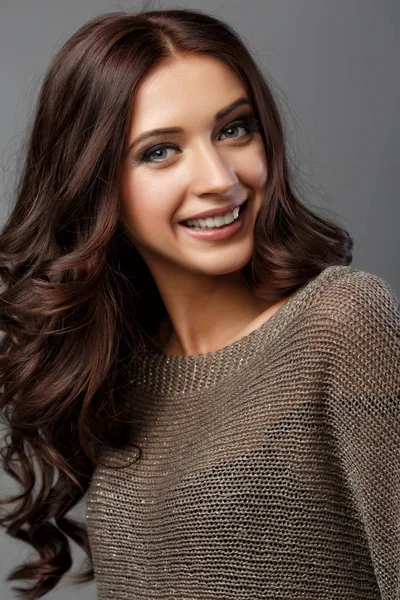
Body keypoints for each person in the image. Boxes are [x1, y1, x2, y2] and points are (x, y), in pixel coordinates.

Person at [0, 7, 399, 600]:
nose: (218, 177)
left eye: (234, 129)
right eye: (160, 151)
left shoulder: (341, 324)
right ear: (94, 183)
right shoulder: (121, 380)